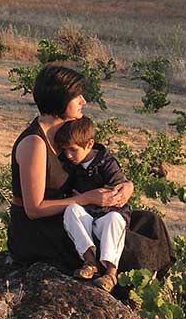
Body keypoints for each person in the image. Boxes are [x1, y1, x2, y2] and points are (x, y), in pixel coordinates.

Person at [7, 65, 174, 294]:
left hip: (69, 214)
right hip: (38, 230)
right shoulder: (35, 144)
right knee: (127, 244)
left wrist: (124, 187)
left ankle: (148, 291)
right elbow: (34, 209)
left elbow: (97, 165)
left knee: (148, 222)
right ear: (60, 99)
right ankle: (123, 291)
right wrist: (86, 199)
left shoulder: (68, 135)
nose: (83, 101)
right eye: (77, 96)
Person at [55, 117, 131, 291]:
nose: (68, 155)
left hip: (108, 214)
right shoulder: (70, 164)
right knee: (71, 210)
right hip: (87, 215)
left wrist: (112, 196)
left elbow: (118, 190)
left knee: (114, 219)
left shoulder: (107, 163)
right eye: (65, 150)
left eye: (73, 150)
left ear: (89, 144)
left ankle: (111, 273)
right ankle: (90, 262)